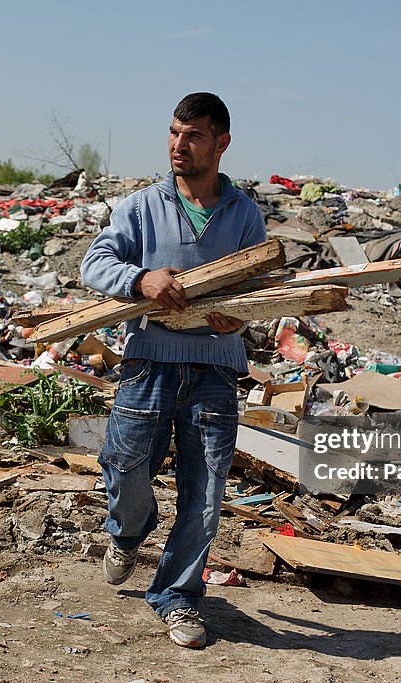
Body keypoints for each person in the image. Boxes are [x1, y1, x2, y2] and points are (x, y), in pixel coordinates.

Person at [80, 92, 266, 648]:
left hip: (214, 369)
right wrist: (141, 281)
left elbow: (260, 282)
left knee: (205, 492)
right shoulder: (140, 207)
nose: (178, 145)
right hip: (148, 363)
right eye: (173, 132)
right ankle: (129, 531)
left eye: (193, 136)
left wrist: (244, 315)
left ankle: (179, 597)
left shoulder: (244, 212)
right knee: (127, 467)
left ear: (221, 143)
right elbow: (95, 261)